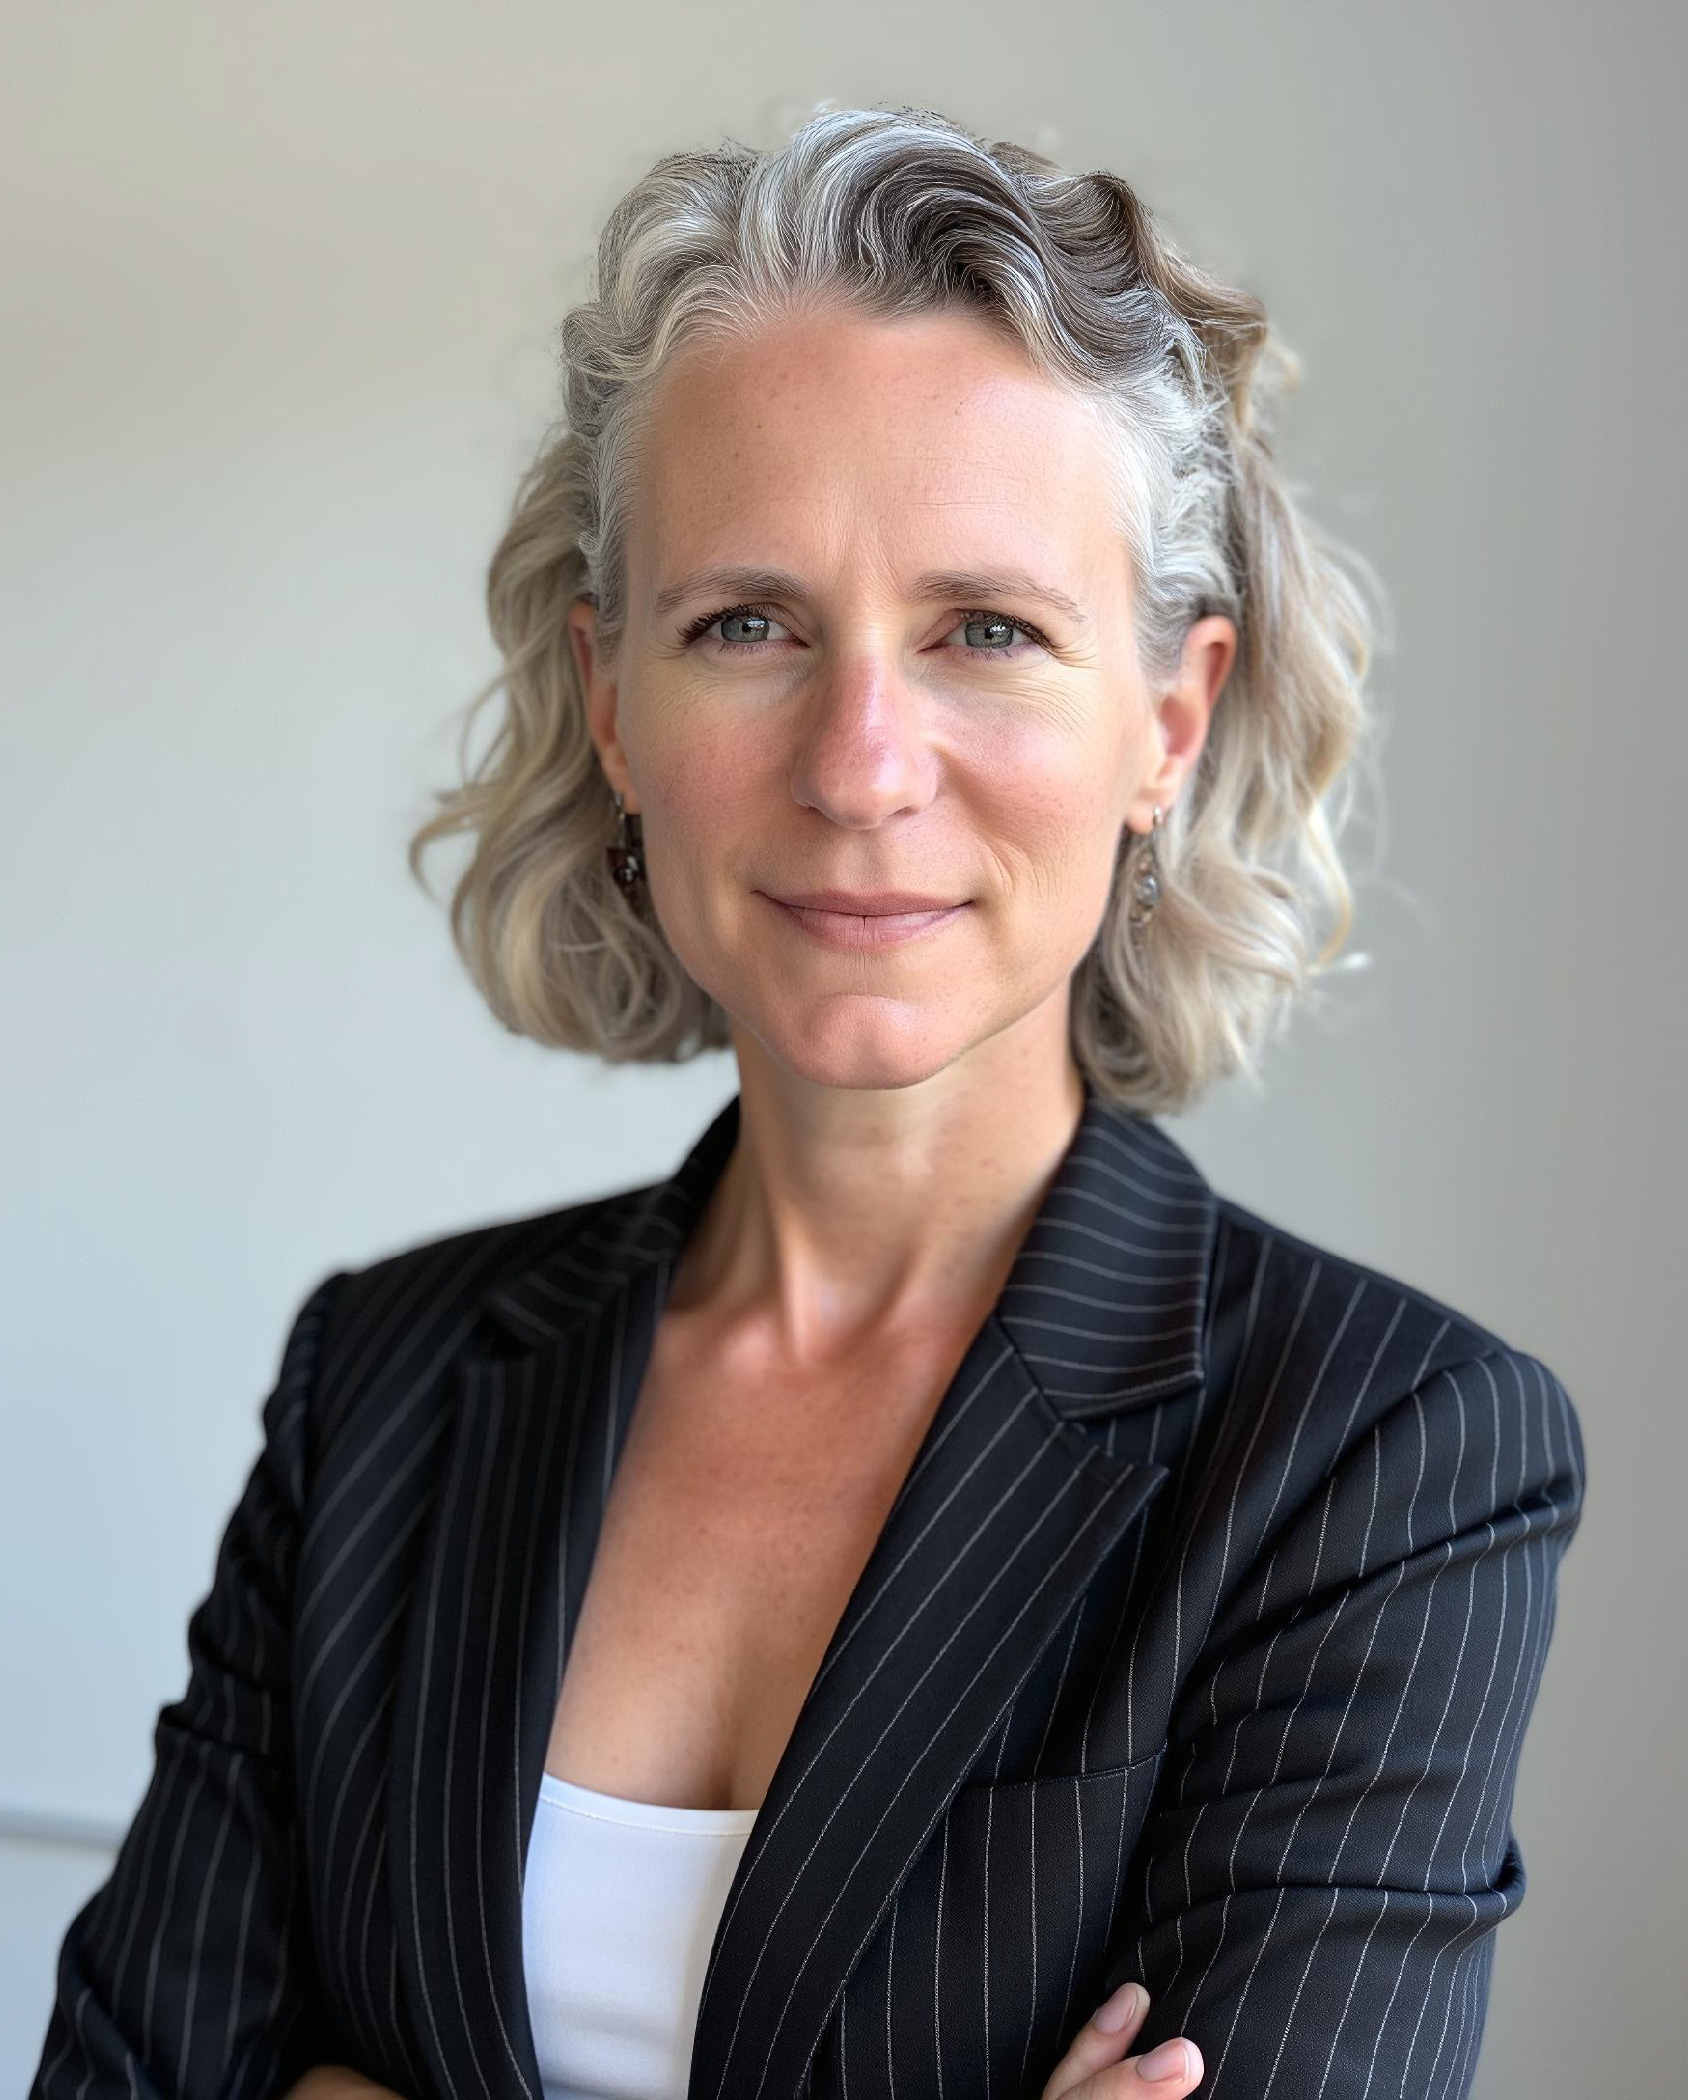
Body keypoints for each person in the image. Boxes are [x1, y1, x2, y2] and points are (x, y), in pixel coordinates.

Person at [31, 103, 1585, 2100]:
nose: (860, 765)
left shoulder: (1386, 1456)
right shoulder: (381, 1382)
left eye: (987, 631)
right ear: (611, 704)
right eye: (746, 624)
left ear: (1166, 721)